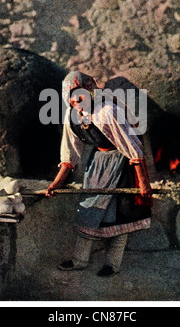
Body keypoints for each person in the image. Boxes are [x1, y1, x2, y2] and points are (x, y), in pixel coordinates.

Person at [43, 71, 153, 277]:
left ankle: (112, 264)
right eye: (72, 97)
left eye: (81, 95)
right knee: (88, 211)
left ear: (91, 92)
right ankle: (79, 260)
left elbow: (133, 147)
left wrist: (143, 183)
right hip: (98, 164)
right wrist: (56, 184)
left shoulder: (107, 112)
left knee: (118, 216)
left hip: (122, 162)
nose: (77, 101)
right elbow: (69, 154)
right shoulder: (72, 117)